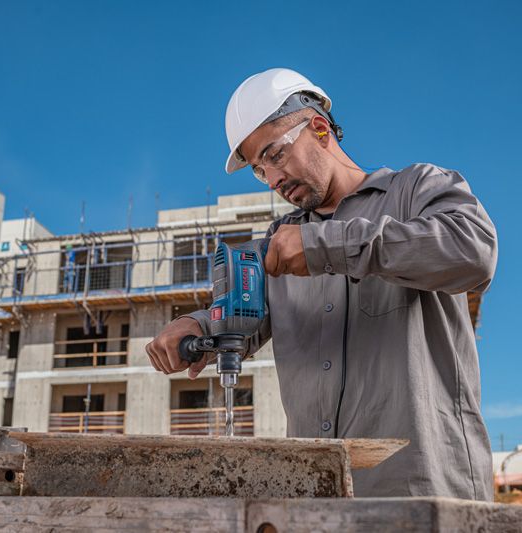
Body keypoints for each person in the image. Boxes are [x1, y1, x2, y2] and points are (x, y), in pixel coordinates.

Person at [146, 68, 498, 500]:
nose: (272, 179)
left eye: (274, 155)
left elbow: (473, 252)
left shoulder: (417, 190)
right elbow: (243, 314)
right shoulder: (278, 246)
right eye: (259, 171)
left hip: (424, 492)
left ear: (318, 127)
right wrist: (198, 324)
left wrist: (324, 245)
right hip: (316, 499)